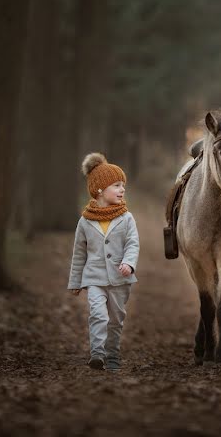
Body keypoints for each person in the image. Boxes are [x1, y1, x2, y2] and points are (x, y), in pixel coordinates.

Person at [68, 153, 140, 371]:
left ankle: (113, 354)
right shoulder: (85, 220)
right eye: (117, 185)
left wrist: (129, 263)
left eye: (123, 185)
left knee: (116, 320)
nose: (122, 189)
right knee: (98, 314)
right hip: (95, 278)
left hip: (120, 279)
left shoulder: (126, 218)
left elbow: (132, 244)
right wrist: (75, 281)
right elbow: (79, 252)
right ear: (100, 189)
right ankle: (97, 354)